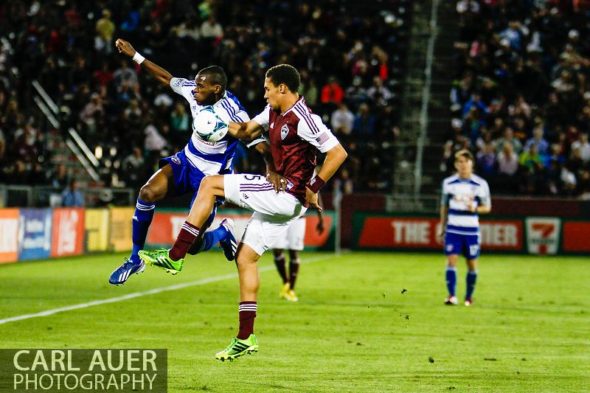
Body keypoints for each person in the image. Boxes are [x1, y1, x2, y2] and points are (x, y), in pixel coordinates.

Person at [139, 64, 348, 361]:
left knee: (211, 185)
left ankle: (175, 257)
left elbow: (337, 153)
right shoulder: (271, 112)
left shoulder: (304, 118)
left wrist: (315, 185)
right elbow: (246, 130)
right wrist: (216, 125)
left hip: (288, 194)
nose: (263, 94)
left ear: (283, 89)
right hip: (284, 198)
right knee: (245, 258)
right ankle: (245, 337)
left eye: (267, 88)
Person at [108, 38, 250, 285]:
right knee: (147, 192)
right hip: (186, 161)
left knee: (193, 246)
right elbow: (167, 78)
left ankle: (222, 233)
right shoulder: (195, 93)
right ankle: (134, 258)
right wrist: (134, 55)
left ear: (216, 89)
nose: (194, 89)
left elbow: (250, 136)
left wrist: (271, 165)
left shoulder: (233, 111)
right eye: (195, 84)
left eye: (201, 86)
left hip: (211, 180)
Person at [438, 149, 491, 306]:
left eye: (466, 162)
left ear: (471, 164)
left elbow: (487, 207)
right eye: (460, 162)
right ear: (455, 164)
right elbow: (444, 206)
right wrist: (442, 227)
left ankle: (468, 297)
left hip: (471, 230)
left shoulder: (480, 184)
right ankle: (452, 295)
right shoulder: (448, 183)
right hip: (453, 228)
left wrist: (475, 208)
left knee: (472, 264)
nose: (463, 165)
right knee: (451, 260)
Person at [273, 211, 324, 302]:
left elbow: (316, 197)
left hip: (297, 218)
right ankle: (286, 283)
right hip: (279, 217)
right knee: (277, 250)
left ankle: (291, 289)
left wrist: (321, 219)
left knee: (293, 251)